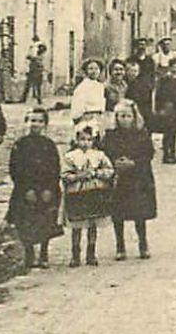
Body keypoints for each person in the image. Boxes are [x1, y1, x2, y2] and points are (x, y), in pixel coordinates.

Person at [6, 108, 62, 271]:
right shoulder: (20, 144)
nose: (35, 124)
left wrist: (49, 189)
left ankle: (43, 253)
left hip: (46, 189)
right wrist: (26, 189)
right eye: (31, 120)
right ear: (26, 122)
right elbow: (15, 169)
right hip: (25, 189)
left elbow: (55, 169)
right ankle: (29, 252)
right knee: (24, 222)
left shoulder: (49, 145)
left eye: (39, 121)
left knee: (45, 220)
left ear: (45, 124)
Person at [100, 105, 156, 260]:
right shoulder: (111, 135)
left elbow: (148, 154)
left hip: (139, 177)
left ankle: (143, 244)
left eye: (128, 116)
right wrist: (115, 162)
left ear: (134, 117)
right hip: (119, 177)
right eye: (121, 116)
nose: (124, 119)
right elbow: (104, 152)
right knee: (118, 213)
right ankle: (120, 246)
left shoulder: (142, 135)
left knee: (140, 213)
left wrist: (134, 162)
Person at [61, 124, 115, 266]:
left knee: (93, 222)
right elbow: (65, 174)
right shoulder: (70, 157)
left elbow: (110, 170)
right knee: (77, 224)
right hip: (77, 192)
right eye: (82, 139)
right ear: (77, 140)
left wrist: (96, 173)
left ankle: (91, 253)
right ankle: (75, 254)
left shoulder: (99, 156)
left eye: (89, 139)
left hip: (94, 192)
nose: (85, 143)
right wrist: (77, 176)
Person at [153, 59, 176, 162]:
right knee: (167, 133)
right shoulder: (164, 80)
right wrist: (159, 109)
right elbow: (158, 95)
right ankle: (166, 155)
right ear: (170, 67)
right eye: (174, 67)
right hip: (167, 108)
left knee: (175, 132)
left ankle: (173, 154)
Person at [70, 58, 109, 134]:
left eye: (96, 68)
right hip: (86, 120)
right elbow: (76, 109)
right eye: (91, 69)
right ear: (86, 71)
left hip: (99, 120)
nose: (94, 71)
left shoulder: (101, 86)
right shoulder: (82, 87)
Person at [129, 39, 157, 130]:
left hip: (146, 90)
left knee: (147, 112)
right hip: (134, 89)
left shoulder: (150, 60)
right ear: (136, 47)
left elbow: (153, 75)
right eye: (140, 45)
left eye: (144, 45)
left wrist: (151, 85)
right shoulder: (131, 59)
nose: (142, 47)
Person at [19, 40, 47, 105]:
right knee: (31, 86)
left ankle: (37, 99)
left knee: (34, 87)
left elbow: (32, 58)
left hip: (35, 73)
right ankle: (26, 98)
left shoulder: (39, 56)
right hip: (34, 72)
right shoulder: (38, 56)